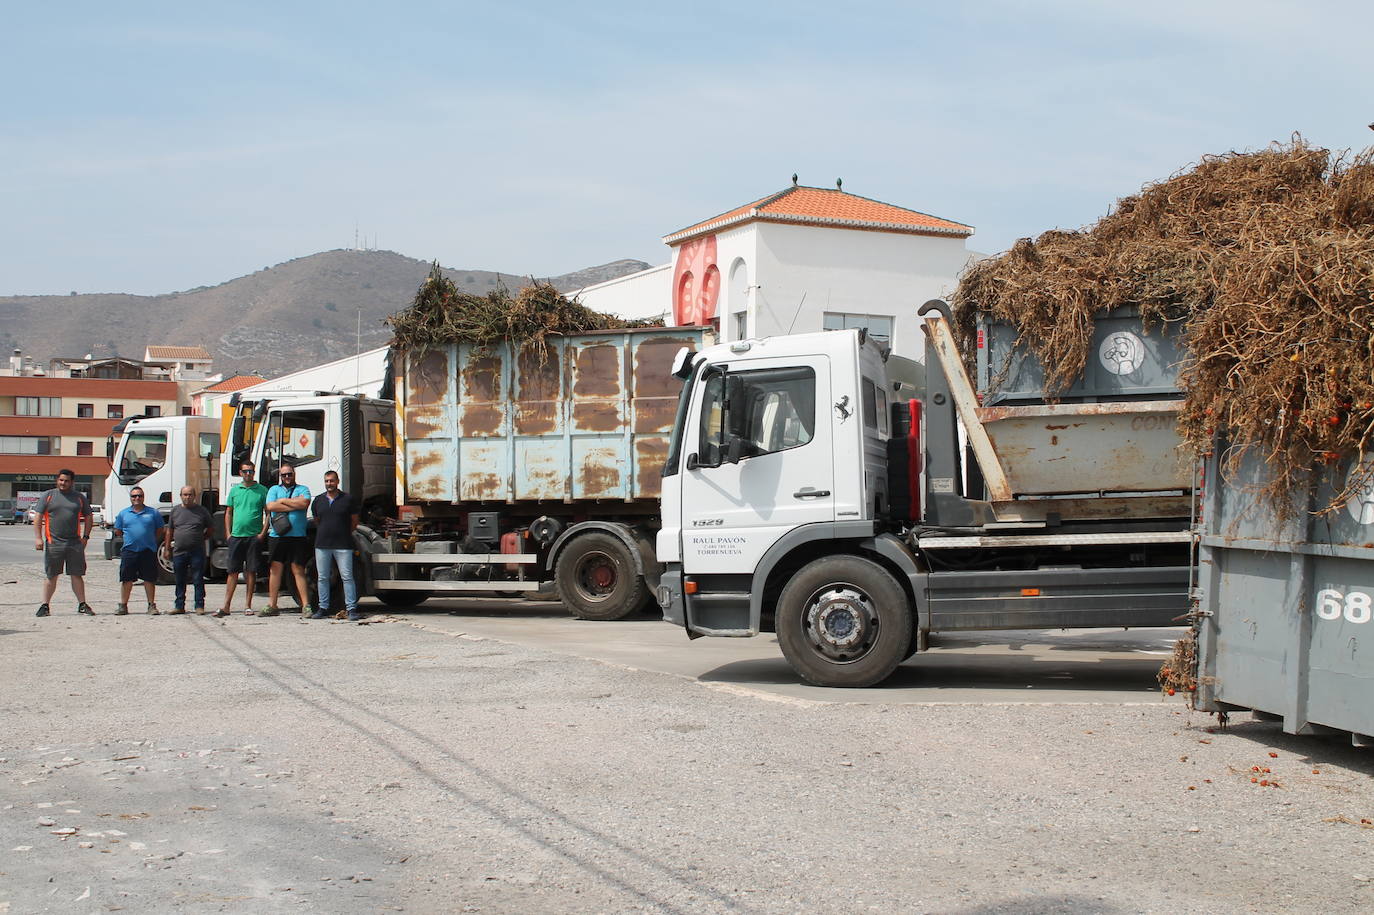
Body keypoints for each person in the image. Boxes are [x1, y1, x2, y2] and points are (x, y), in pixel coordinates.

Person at [34, 469, 94, 617]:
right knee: (51, 575)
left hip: (74, 543)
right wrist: (38, 538)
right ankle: (45, 605)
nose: (63, 483)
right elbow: (38, 517)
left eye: (66, 481)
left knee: (76, 574)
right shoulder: (48, 496)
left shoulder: (79, 497)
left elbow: (88, 517)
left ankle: (82, 604)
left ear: (72, 482)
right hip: (54, 543)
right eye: (61, 480)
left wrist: (86, 537)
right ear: (57, 480)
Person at [219, 460, 268, 617]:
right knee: (232, 571)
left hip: (254, 536)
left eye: (251, 471)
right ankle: (226, 605)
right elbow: (229, 512)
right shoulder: (235, 490)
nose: (248, 474)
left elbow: (269, 513)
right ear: (240, 473)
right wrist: (228, 533)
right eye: (245, 471)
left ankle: (248, 605)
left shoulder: (262, 490)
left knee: (251, 571)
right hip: (236, 536)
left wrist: (263, 533)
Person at [309, 470, 360, 621]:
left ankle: (351, 609)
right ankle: (323, 608)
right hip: (322, 545)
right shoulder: (318, 500)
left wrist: (343, 532)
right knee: (323, 577)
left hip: (343, 544)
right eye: (326, 481)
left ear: (337, 482)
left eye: (332, 481)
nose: (329, 484)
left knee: (347, 577)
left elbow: (354, 522)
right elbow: (317, 520)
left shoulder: (348, 499)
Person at [263, 462, 311, 617]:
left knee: (298, 570)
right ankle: (272, 605)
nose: (287, 477)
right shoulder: (274, 489)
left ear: (294, 474)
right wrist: (294, 504)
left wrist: (282, 502)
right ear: (280, 476)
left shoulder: (303, 489)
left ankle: (306, 606)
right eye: (284, 475)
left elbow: (305, 503)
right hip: (278, 536)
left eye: (289, 474)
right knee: (275, 570)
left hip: (297, 536)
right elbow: (270, 506)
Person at [113, 486, 165, 615]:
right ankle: (123, 606)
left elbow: (159, 530)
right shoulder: (123, 513)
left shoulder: (153, 513)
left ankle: (151, 606)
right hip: (129, 551)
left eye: (139, 496)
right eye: (134, 496)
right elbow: (118, 531)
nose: (137, 498)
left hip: (147, 550)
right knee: (126, 579)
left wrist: (149, 540)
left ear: (143, 497)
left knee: (149, 579)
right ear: (130, 498)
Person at [166, 485, 213, 615]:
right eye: (185, 495)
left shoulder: (202, 511)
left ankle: (199, 605)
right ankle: (179, 605)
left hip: (197, 551)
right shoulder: (175, 511)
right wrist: (167, 548)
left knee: (198, 579)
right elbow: (169, 530)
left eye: (190, 494)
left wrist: (201, 538)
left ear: (194, 496)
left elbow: (210, 529)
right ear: (180, 496)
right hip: (179, 552)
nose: (187, 497)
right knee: (179, 580)